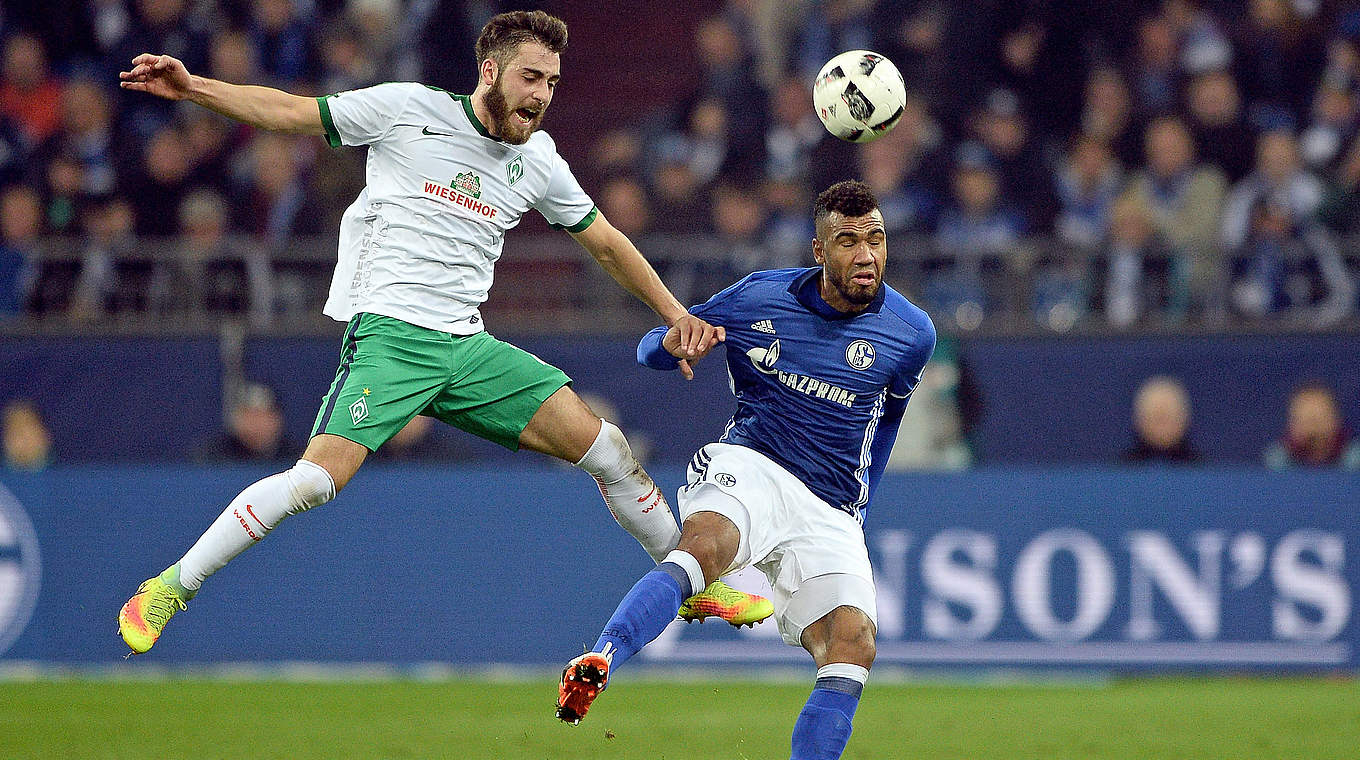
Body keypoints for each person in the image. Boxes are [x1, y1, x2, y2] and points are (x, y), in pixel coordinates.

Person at [115, 10, 768, 656]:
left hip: (467, 348)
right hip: (393, 339)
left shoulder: (537, 161)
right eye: (531, 76)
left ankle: (693, 584)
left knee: (607, 447)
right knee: (316, 483)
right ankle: (172, 585)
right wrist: (195, 87)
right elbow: (291, 113)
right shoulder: (407, 108)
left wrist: (675, 314)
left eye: (552, 83)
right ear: (490, 71)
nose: (541, 94)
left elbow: (606, 244)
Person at [554, 180, 936, 760]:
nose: (865, 255)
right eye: (848, 240)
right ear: (818, 250)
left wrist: (861, 504)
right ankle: (602, 657)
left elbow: (887, 424)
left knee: (852, 644)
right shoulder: (761, 297)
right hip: (752, 462)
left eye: (876, 239)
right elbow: (653, 347)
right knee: (706, 547)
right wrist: (679, 343)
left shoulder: (911, 334)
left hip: (831, 505)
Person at [192, 383, 298, 463]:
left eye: (262, 415)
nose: (256, 423)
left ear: (277, 419)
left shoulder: (296, 459)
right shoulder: (215, 458)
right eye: (250, 415)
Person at [1264, 381, 1360, 469]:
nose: (1314, 428)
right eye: (1306, 420)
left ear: (1336, 420)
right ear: (1292, 424)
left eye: (1319, 419)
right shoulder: (1277, 461)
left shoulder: (1355, 460)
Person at [1121, 375, 1202, 463]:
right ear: (1139, 421)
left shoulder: (1203, 471)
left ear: (1184, 419)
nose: (1162, 429)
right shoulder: (1120, 472)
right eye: (1156, 418)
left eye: (1167, 419)